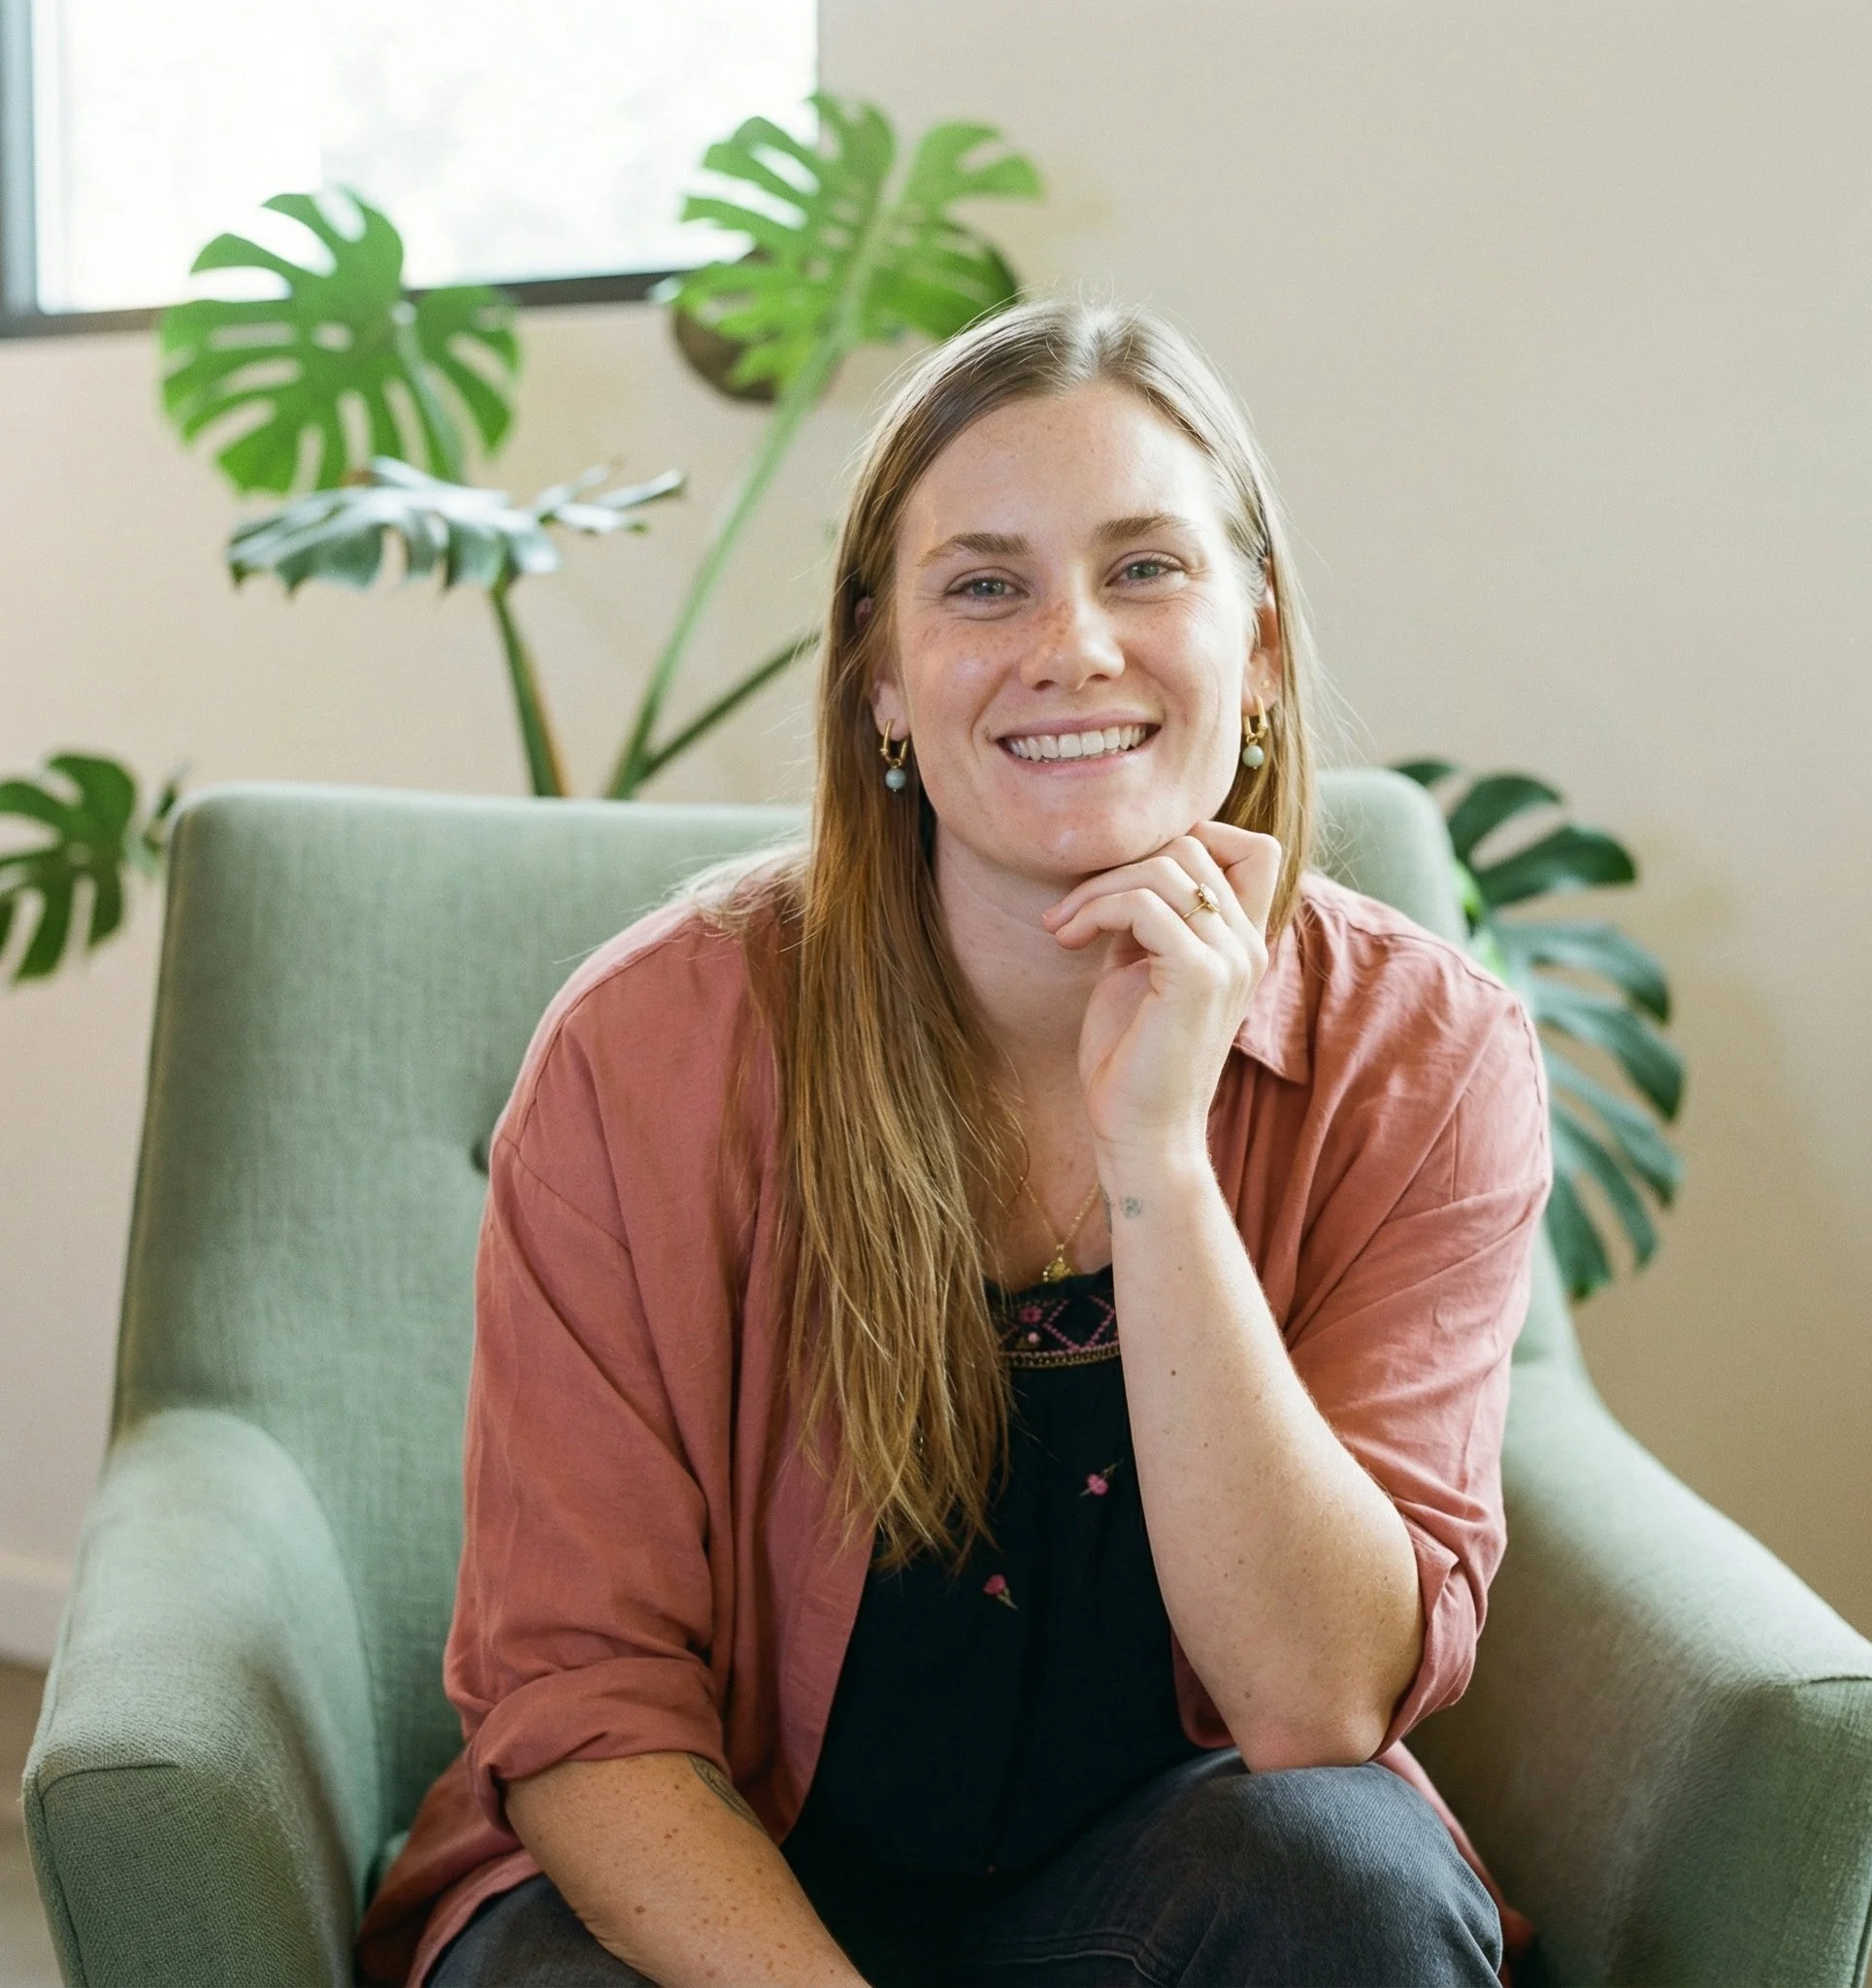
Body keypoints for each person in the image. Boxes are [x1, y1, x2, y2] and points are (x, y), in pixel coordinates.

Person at [357, 298, 1551, 1988]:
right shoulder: (645, 1054)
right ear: (883, 682)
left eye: (1147, 569)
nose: (1073, 645)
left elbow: (1316, 1701)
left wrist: (1160, 1161)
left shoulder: (1422, 1054)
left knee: (1347, 1887)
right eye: (985, 584)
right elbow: (582, 1694)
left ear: (1261, 651)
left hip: (1149, 1885)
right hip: (707, 1896)